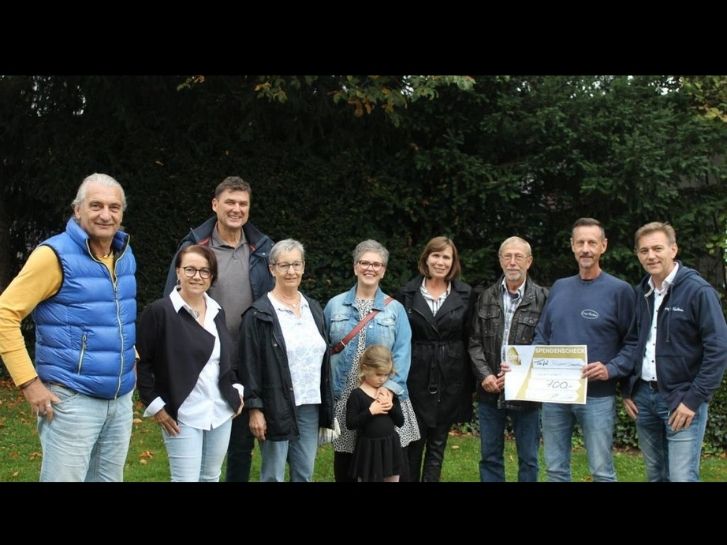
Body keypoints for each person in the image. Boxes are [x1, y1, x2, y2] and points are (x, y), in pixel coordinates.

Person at [0, 173, 136, 481]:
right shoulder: (54, 256)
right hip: (71, 400)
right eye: (96, 205)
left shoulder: (125, 254)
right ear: (78, 210)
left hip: (120, 401)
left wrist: (130, 354)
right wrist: (29, 383)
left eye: (114, 207)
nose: (106, 214)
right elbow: (4, 314)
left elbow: (115, 314)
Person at [164, 176, 273, 482]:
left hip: (248, 358)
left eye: (243, 204)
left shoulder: (263, 250)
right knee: (198, 450)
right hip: (203, 362)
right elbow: (170, 306)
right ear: (215, 205)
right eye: (230, 202)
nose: (236, 209)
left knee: (240, 445)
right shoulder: (194, 248)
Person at [601, 222, 727, 481]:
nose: (651, 256)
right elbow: (634, 342)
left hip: (681, 398)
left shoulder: (698, 292)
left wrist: (693, 400)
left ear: (673, 249)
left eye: (657, 248)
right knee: (655, 474)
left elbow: (718, 349)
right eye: (644, 250)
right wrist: (628, 388)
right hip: (644, 398)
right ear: (637, 254)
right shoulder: (643, 292)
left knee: (682, 476)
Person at [533, 218, 635, 482]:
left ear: (603, 246)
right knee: (555, 469)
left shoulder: (620, 291)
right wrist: (528, 363)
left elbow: (633, 343)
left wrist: (611, 369)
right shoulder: (560, 287)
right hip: (555, 395)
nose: (586, 248)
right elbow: (543, 334)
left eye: (592, 242)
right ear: (572, 246)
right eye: (580, 242)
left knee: (601, 471)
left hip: (597, 397)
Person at [138, 245, 244, 481]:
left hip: (220, 411)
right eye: (190, 269)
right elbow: (142, 364)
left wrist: (237, 389)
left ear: (212, 277)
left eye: (205, 271)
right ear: (178, 272)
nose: (197, 276)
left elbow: (225, 358)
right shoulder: (159, 312)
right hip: (182, 413)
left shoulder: (217, 311)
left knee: (211, 477)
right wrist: (156, 407)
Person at [324, 239, 420, 482]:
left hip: (384, 395)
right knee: (347, 465)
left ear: (383, 270)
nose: (370, 268)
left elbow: (402, 353)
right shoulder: (334, 306)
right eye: (364, 262)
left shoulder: (395, 310)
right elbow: (323, 351)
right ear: (355, 267)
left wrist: (389, 390)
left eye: (376, 264)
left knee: (388, 461)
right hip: (347, 396)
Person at [239, 239, 333, 481]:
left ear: (303, 267)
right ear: (272, 269)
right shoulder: (258, 314)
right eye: (284, 265)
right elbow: (249, 365)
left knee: (304, 473)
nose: (291, 271)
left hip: (310, 404)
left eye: (296, 264)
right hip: (274, 405)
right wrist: (255, 409)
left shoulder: (313, 308)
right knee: (273, 475)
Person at [469, 236, 548, 482]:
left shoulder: (544, 298)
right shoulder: (485, 296)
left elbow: (547, 343)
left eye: (518, 256)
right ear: (500, 260)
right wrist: (485, 375)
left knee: (529, 458)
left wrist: (522, 371)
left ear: (529, 261)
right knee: (490, 455)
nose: (512, 262)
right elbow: (474, 341)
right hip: (490, 390)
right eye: (507, 256)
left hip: (527, 392)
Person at [397, 236, 474, 482]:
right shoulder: (407, 293)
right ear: (426, 258)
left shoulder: (465, 294)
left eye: (446, 257)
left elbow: (469, 336)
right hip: (415, 376)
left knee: (438, 443)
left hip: (450, 376)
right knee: (413, 442)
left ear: (453, 262)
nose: (441, 262)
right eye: (436, 256)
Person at [346, 345, 405, 482]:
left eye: (386, 375)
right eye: (379, 374)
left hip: (390, 446)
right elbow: (350, 423)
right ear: (365, 368)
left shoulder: (388, 393)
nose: (383, 379)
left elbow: (400, 422)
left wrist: (391, 407)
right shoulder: (357, 395)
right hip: (369, 449)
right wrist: (370, 411)